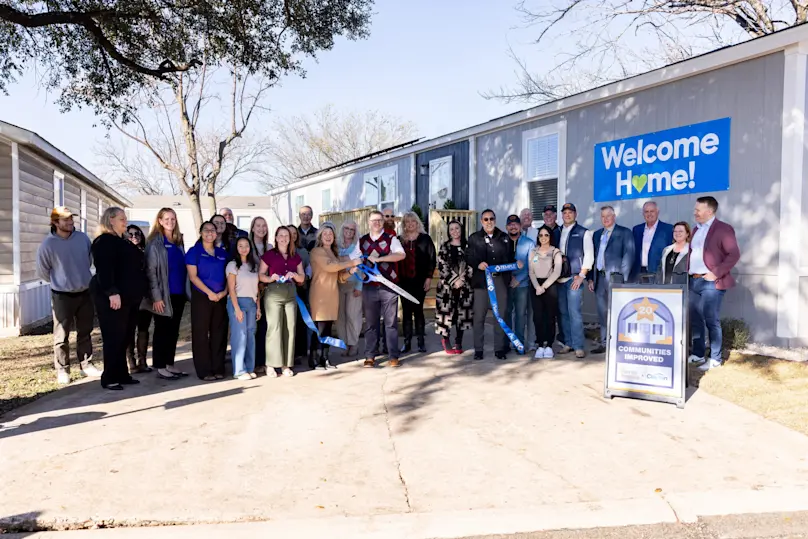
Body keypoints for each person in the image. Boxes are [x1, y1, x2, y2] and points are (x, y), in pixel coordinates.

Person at [36, 206, 100, 385]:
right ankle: (62, 369)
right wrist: (61, 280)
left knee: (85, 331)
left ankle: (86, 365)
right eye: (66, 219)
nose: (71, 222)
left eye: (71, 218)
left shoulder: (82, 238)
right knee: (61, 335)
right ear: (55, 222)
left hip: (85, 292)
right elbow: (43, 271)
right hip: (62, 295)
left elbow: (88, 260)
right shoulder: (48, 244)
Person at [90, 207, 147, 390]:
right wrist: (112, 292)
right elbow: (104, 270)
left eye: (125, 218)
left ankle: (122, 373)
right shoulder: (104, 241)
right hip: (113, 297)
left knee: (125, 336)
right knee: (114, 337)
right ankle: (109, 377)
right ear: (110, 220)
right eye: (122, 218)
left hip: (129, 298)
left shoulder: (121, 241)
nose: (125, 221)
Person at [688, 196, 740, 371]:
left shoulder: (723, 229)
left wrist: (715, 273)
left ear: (709, 211)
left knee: (711, 319)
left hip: (711, 282)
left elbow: (733, 255)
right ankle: (698, 354)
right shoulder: (696, 229)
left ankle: (715, 358)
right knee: (695, 319)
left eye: (698, 209)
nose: (694, 212)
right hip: (693, 280)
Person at [354, 210, 406, 368]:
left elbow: (400, 255)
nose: (376, 223)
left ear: (383, 222)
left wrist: (380, 258)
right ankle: (370, 355)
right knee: (370, 323)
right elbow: (355, 260)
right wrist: (359, 272)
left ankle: (393, 356)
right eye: (373, 220)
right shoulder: (362, 240)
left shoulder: (391, 238)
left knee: (390, 323)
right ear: (368, 223)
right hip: (369, 287)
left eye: (379, 220)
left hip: (388, 286)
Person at [142, 207, 189, 381]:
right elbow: (150, 271)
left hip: (179, 293)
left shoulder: (178, 241)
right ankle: (160, 366)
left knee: (173, 331)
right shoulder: (155, 242)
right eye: (167, 219)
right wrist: (156, 296)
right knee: (162, 330)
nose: (170, 222)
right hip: (163, 294)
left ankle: (169, 363)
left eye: (173, 219)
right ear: (160, 221)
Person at [309, 225, 362, 369]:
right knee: (319, 330)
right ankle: (315, 360)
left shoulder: (334, 253)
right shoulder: (316, 251)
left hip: (332, 296)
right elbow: (330, 266)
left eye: (330, 234)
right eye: (325, 233)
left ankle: (325, 359)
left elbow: (339, 276)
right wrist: (352, 262)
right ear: (320, 236)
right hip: (319, 296)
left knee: (327, 330)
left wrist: (351, 271)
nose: (328, 236)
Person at [466, 209, 516, 360]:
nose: (489, 222)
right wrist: (477, 264)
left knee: (500, 316)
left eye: (491, 219)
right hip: (481, 282)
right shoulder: (474, 238)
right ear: (481, 221)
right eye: (486, 219)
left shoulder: (504, 238)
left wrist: (514, 268)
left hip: (499, 281)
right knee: (479, 316)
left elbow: (510, 259)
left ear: (495, 220)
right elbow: (468, 257)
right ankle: (478, 350)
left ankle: (499, 349)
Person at [186, 221, 229, 381]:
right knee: (201, 333)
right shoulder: (194, 252)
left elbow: (228, 275)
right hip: (202, 297)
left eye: (213, 230)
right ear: (201, 232)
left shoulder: (222, 253)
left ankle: (218, 367)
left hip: (221, 297)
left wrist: (224, 292)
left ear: (217, 233)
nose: (210, 233)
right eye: (206, 230)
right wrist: (210, 293)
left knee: (219, 333)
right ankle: (204, 370)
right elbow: (193, 277)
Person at [259, 226, 305, 377]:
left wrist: (295, 275)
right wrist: (270, 278)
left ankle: (286, 364)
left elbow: (302, 277)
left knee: (290, 328)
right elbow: (261, 275)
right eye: (281, 235)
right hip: (273, 294)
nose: (284, 238)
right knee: (274, 328)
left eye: (286, 235)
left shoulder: (295, 256)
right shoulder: (269, 255)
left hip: (290, 294)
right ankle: (271, 364)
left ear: (290, 238)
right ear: (276, 238)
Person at [589, 206, 635, 354]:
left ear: (614, 216)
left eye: (608, 216)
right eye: (603, 216)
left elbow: (629, 256)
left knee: (619, 311)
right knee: (602, 313)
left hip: (616, 279)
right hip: (599, 278)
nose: (605, 219)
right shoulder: (596, 234)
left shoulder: (624, 232)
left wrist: (622, 278)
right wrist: (591, 278)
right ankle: (604, 343)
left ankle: (620, 343)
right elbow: (592, 257)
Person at [556, 203, 594, 359]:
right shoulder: (557, 232)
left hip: (574, 278)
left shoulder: (583, 232)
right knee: (563, 313)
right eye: (564, 212)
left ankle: (578, 346)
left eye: (570, 212)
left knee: (575, 313)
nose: (567, 215)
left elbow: (589, 255)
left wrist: (582, 275)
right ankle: (568, 343)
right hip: (558, 279)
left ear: (575, 214)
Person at [398, 211, 437, 354]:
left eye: (412, 221)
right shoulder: (399, 240)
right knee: (406, 312)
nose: (410, 224)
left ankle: (421, 341)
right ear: (404, 225)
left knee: (418, 310)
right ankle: (407, 342)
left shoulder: (425, 239)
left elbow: (432, 259)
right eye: (407, 222)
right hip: (403, 282)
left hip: (420, 281)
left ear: (417, 223)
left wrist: (428, 278)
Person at [435, 220, 474, 354]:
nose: (454, 231)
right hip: (447, 288)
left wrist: (463, 279)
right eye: (451, 229)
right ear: (448, 232)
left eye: (457, 228)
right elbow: (441, 265)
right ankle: (445, 340)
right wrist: (454, 280)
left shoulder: (468, 246)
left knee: (461, 316)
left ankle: (459, 341)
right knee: (446, 315)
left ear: (461, 230)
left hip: (464, 287)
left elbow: (472, 264)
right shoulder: (444, 247)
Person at [226, 237, 261, 380]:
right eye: (240, 246)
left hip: (252, 303)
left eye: (246, 245)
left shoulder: (254, 266)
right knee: (240, 336)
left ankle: (249, 367)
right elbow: (231, 289)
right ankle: (239, 370)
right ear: (236, 248)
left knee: (250, 335)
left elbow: (257, 289)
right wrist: (236, 309)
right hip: (237, 302)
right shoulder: (233, 265)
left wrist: (258, 308)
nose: (244, 248)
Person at [528, 225, 563, 359]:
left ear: (550, 237)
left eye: (546, 235)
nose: (543, 238)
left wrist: (544, 287)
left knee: (549, 316)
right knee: (537, 317)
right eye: (541, 235)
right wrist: (537, 286)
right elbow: (531, 271)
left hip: (550, 287)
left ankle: (548, 345)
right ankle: (540, 343)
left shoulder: (555, 252)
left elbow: (557, 272)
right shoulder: (533, 252)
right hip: (535, 287)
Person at [505, 214, 535, 354]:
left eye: (516, 224)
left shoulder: (529, 243)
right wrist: (508, 277)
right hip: (505, 284)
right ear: (507, 227)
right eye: (510, 224)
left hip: (522, 285)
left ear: (520, 226)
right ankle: (506, 343)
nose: (513, 226)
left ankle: (519, 344)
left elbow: (531, 265)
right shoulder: (502, 241)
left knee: (520, 314)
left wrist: (519, 279)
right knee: (506, 313)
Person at [124, 224, 153, 374]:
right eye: (130, 234)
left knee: (143, 330)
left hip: (145, 297)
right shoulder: (123, 252)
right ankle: (131, 362)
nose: (134, 237)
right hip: (128, 298)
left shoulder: (146, 253)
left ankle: (143, 361)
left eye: (137, 234)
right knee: (129, 330)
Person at [337, 220, 363, 357]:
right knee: (340, 317)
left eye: (352, 229)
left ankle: (353, 344)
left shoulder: (357, 247)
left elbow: (360, 269)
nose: (349, 231)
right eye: (346, 228)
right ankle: (344, 344)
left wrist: (359, 286)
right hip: (338, 285)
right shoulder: (336, 246)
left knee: (352, 315)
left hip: (354, 285)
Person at [250, 216, 272, 374]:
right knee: (252, 328)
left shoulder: (270, 247)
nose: (261, 229)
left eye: (264, 226)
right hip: (250, 292)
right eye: (258, 226)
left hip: (267, 292)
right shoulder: (246, 246)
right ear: (252, 228)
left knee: (264, 327)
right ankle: (252, 362)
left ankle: (263, 360)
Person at [632, 201, 674, 283]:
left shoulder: (668, 229)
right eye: (646, 212)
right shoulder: (637, 229)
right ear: (643, 214)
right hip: (639, 273)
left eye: (652, 211)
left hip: (658, 273)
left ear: (657, 212)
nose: (649, 214)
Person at [289, 224, 311, 365]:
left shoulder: (302, 251)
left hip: (300, 290)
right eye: (289, 233)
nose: (292, 236)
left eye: (294, 234)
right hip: (285, 290)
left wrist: (306, 278)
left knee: (300, 321)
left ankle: (299, 352)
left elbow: (309, 267)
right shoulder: (279, 252)